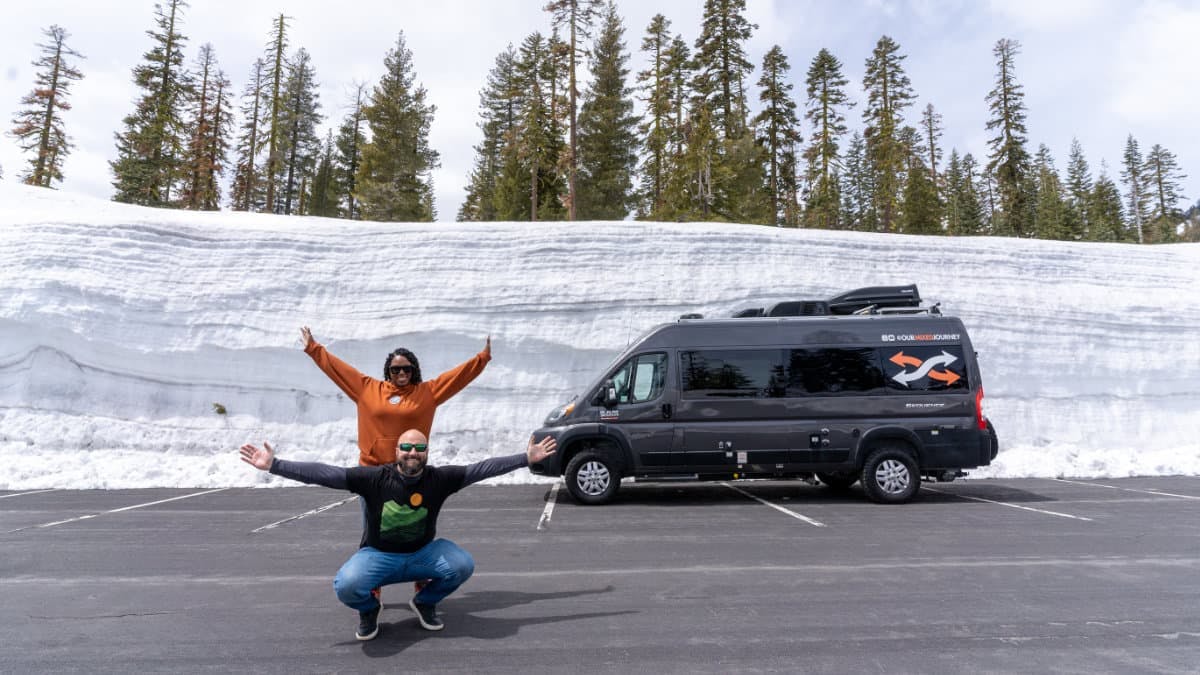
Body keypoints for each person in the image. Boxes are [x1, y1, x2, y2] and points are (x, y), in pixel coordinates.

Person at [240, 429, 557, 641]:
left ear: (426, 452)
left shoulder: (440, 478)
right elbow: (326, 474)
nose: (412, 452)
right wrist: (275, 465)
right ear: (397, 450)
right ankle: (369, 610)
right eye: (406, 447)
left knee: (462, 564)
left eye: (420, 447)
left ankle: (425, 600)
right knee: (347, 585)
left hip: (423, 554)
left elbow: (482, 468)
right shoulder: (375, 478)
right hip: (379, 557)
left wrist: (524, 459)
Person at [300, 327, 492, 599]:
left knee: (419, 526)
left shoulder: (428, 393)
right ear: (387, 371)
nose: (401, 374)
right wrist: (314, 348)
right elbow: (338, 370)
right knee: (372, 528)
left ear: (415, 370)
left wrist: (482, 358)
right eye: (395, 370)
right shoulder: (367, 388)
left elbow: (458, 378)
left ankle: (423, 576)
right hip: (373, 475)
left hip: (412, 474)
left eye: (407, 369)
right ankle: (371, 582)